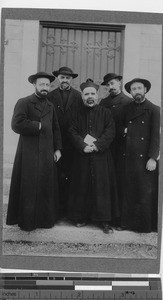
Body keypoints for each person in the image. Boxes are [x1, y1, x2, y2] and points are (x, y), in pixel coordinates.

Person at [6, 72, 62, 231]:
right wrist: (37, 126)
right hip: (29, 153)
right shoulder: (24, 102)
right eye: (42, 84)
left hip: (46, 152)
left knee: (44, 186)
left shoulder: (50, 105)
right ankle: (28, 222)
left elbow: (56, 128)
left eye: (47, 85)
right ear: (35, 85)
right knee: (29, 187)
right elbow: (16, 124)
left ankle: (44, 221)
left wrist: (58, 148)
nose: (45, 88)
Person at [68, 79, 118, 234]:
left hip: (101, 156)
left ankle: (103, 221)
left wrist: (97, 145)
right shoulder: (76, 112)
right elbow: (71, 131)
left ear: (97, 95)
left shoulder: (106, 113)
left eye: (93, 93)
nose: (90, 96)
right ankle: (80, 217)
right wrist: (83, 146)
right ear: (82, 96)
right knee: (81, 186)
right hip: (82, 156)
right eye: (87, 93)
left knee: (101, 188)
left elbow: (110, 131)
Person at [118, 78, 160, 233]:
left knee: (143, 192)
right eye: (133, 89)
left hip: (144, 159)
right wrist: (124, 130)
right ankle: (126, 223)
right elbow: (119, 126)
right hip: (128, 157)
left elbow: (156, 136)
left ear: (145, 90)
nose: (136, 91)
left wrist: (152, 157)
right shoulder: (126, 109)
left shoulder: (154, 109)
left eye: (139, 88)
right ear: (130, 92)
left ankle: (143, 226)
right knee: (128, 191)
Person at [48, 66, 83, 219]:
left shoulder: (78, 96)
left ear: (71, 79)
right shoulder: (50, 96)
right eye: (62, 77)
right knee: (56, 176)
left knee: (72, 175)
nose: (65, 80)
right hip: (55, 142)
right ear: (58, 78)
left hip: (73, 143)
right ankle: (56, 210)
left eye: (68, 78)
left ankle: (70, 211)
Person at [100, 73, 132, 229]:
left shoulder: (128, 102)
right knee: (106, 182)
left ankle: (119, 219)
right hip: (106, 148)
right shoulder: (103, 102)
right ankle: (105, 217)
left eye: (112, 83)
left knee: (120, 182)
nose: (110, 87)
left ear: (119, 83)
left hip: (121, 148)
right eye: (107, 85)